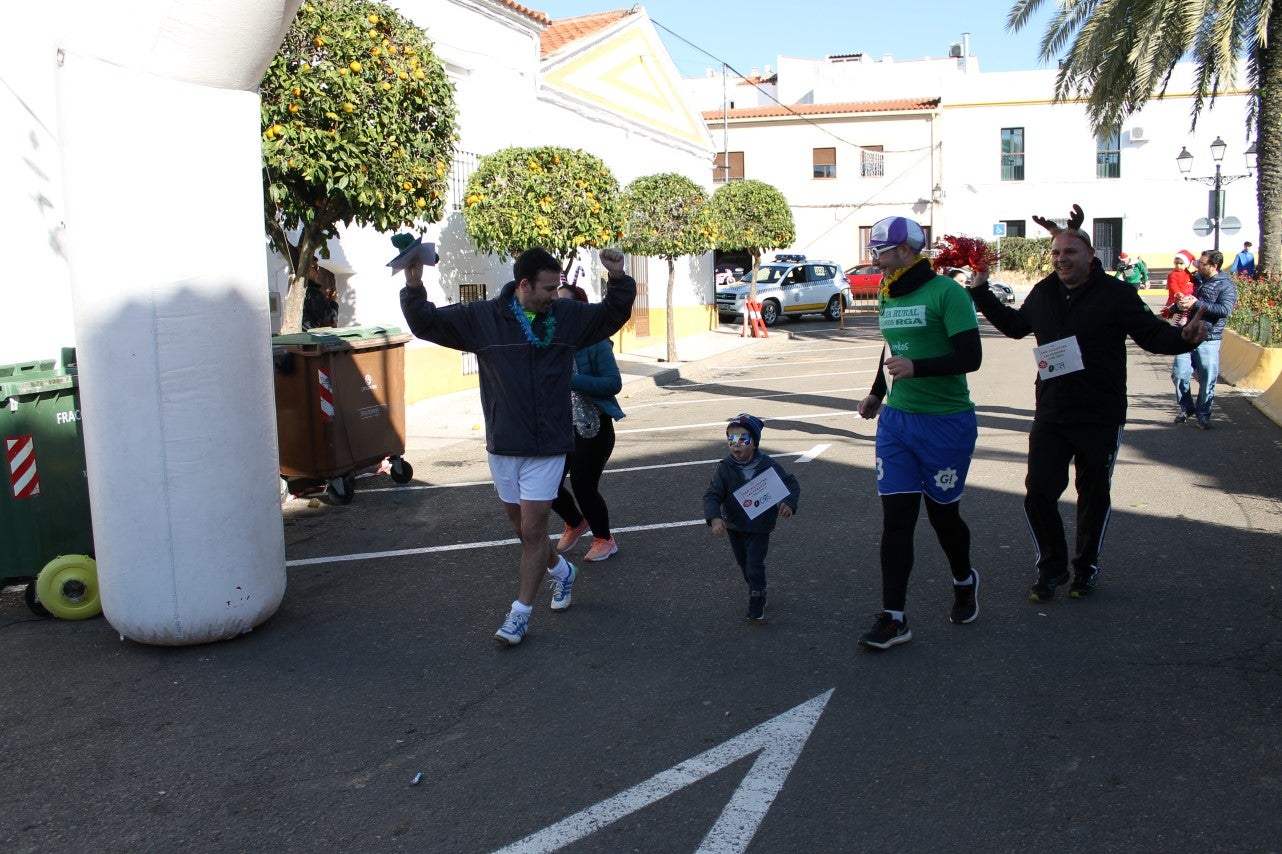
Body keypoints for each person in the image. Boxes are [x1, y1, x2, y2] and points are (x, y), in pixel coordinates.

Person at [399, 244, 636, 646]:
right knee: (523, 532)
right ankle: (561, 570)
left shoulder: (566, 317)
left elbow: (611, 315)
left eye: (557, 287)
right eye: (546, 288)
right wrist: (413, 284)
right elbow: (427, 324)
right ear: (524, 285)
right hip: (504, 444)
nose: (553, 295)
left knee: (532, 526)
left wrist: (617, 277)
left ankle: (519, 615)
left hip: (548, 445)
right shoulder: (483, 319)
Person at [968, 204, 1208, 601]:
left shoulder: (1116, 294)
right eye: (1056, 253)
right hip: (1051, 411)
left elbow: (1151, 335)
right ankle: (1051, 567)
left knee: (1092, 494)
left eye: (1070, 252)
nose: (1061, 259)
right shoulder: (1045, 292)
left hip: (1099, 413)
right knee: (1039, 492)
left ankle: (1085, 568)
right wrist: (980, 291)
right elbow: (1014, 327)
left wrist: (1183, 338)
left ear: (1091, 256)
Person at [855, 216, 983, 651]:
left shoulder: (948, 293)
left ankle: (964, 580)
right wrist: (877, 392)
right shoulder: (888, 293)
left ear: (908, 250)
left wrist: (919, 368)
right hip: (898, 422)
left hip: (946, 421)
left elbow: (971, 355)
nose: (876, 258)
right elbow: (893, 347)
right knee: (897, 521)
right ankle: (894, 618)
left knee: (944, 516)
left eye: (882, 251)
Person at [551, 282, 625, 562]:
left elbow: (612, 383)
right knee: (546, 484)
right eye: (553, 302)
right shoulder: (548, 340)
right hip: (558, 427)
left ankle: (605, 539)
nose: (556, 308)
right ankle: (574, 521)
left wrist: (570, 381)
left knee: (583, 485)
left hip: (594, 426)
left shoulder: (595, 341)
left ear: (579, 309)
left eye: (564, 303)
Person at [703, 414, 799, 621]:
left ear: (754, 443)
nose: (736, 445)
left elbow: (790, 484)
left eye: (743, 440)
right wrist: (715, 517)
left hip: (760, 526)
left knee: (755, 563)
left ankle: (757, 596)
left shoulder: (768, 465)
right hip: (735, 525)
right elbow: (712, 494)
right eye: (732, 440)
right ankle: (757, 587)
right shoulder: (725, 467)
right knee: (744, 564)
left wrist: (788, 503)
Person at [1172, 249, 1238, 429]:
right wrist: (1177, 306)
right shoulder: (1194, 280)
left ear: (1214, 266)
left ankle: (1203, 415)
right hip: (1186, 336)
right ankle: (1187, 407)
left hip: (1209, 338)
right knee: (1179, 373)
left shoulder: (1226, 286)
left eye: (1202, 263)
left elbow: (1225, 310)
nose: (1198, 265)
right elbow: (1183, 302)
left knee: (1207, 377)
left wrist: (1197, 304)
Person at [1161, 250, 1196, 325]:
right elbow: (1173, 285)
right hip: (1178, 296)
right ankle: (1176, 322)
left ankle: (1184, 317)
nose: (1178, 265)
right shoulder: (1173, 274)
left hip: (1187, 294)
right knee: (1180, 308)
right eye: (1176, 263)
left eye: (1181, 263)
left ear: (1186, 264)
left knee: (1188, 303)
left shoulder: (1187, 272)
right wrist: (1178, 292)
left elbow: (1192, 280)